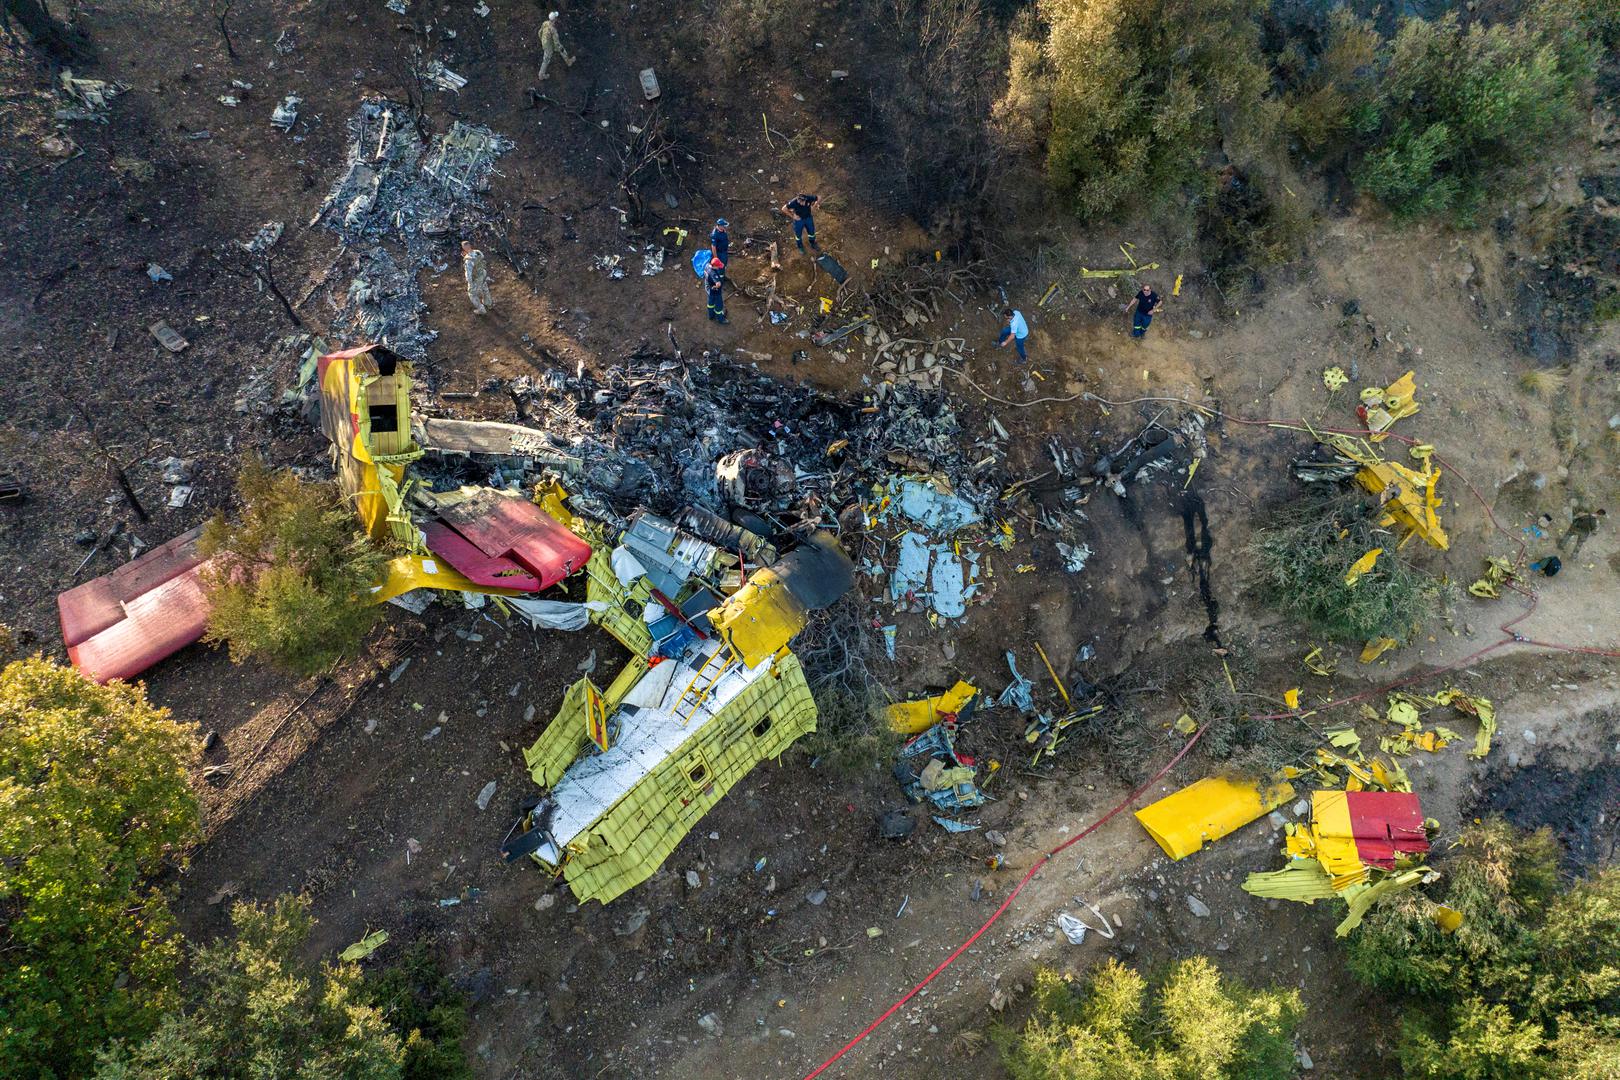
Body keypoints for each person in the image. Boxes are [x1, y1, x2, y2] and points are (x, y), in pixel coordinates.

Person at [538, 11, 575, 81]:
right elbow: (556, 42)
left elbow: (539, 32)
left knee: (547, 59)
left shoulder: (545, 23)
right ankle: (541, 75)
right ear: (555, 19)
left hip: (544, 42)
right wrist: (559, 48)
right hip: (549, 47)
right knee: (547, 60)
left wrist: (542, 40)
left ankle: (568, 61)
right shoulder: (553, 30)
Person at [462, 241, 491, 315]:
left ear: (464, 248)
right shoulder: (478, 252)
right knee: (484, 288)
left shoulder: (468, 261)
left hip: (476, 279)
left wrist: (470, 282)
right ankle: (488, 303)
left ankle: (481, 310)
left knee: (472, 294)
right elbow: (482, 258)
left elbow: (468, 274)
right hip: (482, 274)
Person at [704, 257, 728, 323]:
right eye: (718, 266)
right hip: (715, 292)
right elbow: (718, 284)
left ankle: (711, 316)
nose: (719, 267)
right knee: (719, 306)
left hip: (708, 288)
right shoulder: (714, 274)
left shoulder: (707, 266)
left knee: (710, 303)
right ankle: (721, 319)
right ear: (714, 266)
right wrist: (717, 285)